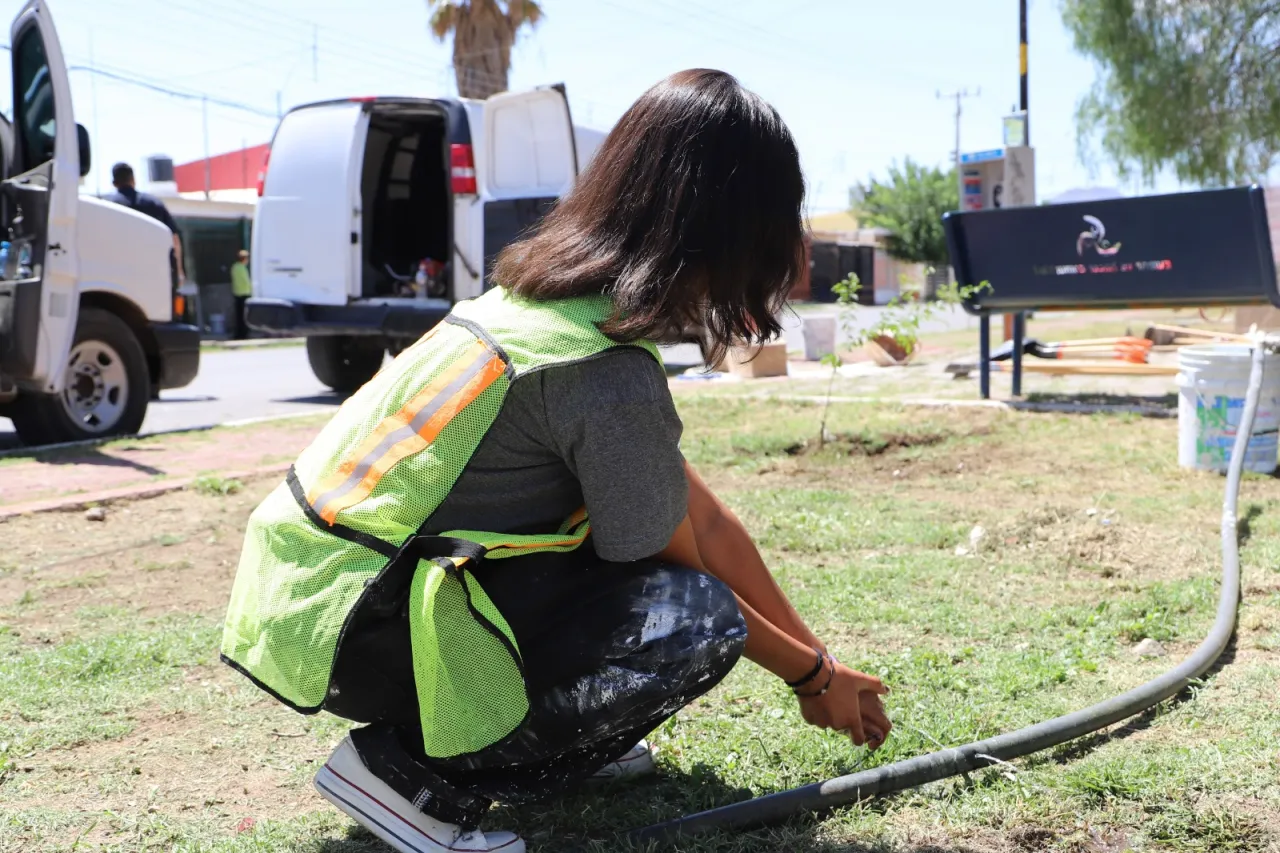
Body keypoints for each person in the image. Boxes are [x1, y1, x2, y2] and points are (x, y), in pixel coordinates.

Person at [220, 69, 892, 853]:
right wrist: (811, 676)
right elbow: (689, 578)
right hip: (363, 620)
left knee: (629, 573)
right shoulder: (599, 370)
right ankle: (407, 779)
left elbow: (704, 516)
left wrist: (825, 661)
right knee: (687, 621)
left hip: (313, 595)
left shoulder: (543, 308)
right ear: (729, 229)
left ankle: (558, 747)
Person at [104, 162, 186, 291]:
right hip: (155, 275)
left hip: (117, 278)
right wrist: (179, 273)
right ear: (133, 180)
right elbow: (174, 239)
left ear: (114, 183)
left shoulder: (106, 206)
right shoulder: (154, 204)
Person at [230, 250, 252, 340]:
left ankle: (238, 334)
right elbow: (246, 281)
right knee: (245, 316)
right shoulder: (242, 268)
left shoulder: (234, 267)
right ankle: (244, 334)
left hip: (236, 293)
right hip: (245, 294)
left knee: (238, 316)